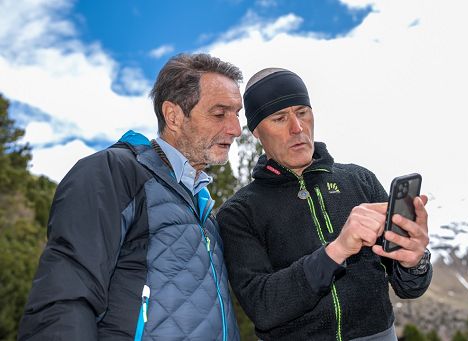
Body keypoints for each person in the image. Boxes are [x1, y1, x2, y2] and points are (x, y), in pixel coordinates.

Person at [18, 53, 243, 340]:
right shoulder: (113, 173)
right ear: (173, 115)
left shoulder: (205, 211)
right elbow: (65, 296)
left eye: (237, 114)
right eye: (219, 113)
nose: (235, 129)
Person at [217, 68, 433, 341]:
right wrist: (336, 251)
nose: (297, 128)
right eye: (280, 118)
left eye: (303, 112)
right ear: (257, 131)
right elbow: (263, 306)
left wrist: (416, 261)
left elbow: (409, 287)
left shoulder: (360, 180)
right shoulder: (238, 213)